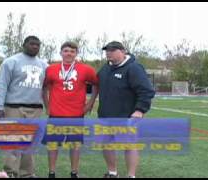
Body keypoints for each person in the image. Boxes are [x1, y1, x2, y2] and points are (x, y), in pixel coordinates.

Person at [97, 41, 155, 178]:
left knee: (129, 145)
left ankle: (131, 175)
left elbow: (146, 91)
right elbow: (95, 84)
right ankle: (112, 173)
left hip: (127, 116)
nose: (108, 53)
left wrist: (140, 110)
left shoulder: (134, 68)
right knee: (107, 144)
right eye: (107, 51)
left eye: (112, 50)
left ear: (123, 51)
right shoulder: (105, 69)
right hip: (106, 116)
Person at [42, 41, 99, 178]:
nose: (69, 53)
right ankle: (52, 173)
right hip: (56, 114)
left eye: (72, 51)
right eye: (66, 50)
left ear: (76, 53)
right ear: (61, 52)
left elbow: (97, 84)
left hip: (76, 114)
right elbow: (44, 87)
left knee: (75, 145)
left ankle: (74, 173)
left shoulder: (86, 69)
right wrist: (47, 105)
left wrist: (90, 103)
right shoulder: (51, 69)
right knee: (53, 145)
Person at [0, 35, 48, 178]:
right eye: (32, 44)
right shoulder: (11, 62)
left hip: (35, 108)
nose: (35, 47)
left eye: (38, 45)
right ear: (24, 44)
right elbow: (1, 85)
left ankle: (27, 173)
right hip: (13, 107)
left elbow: (47, 87)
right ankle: (11, 172)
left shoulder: (43, 65)